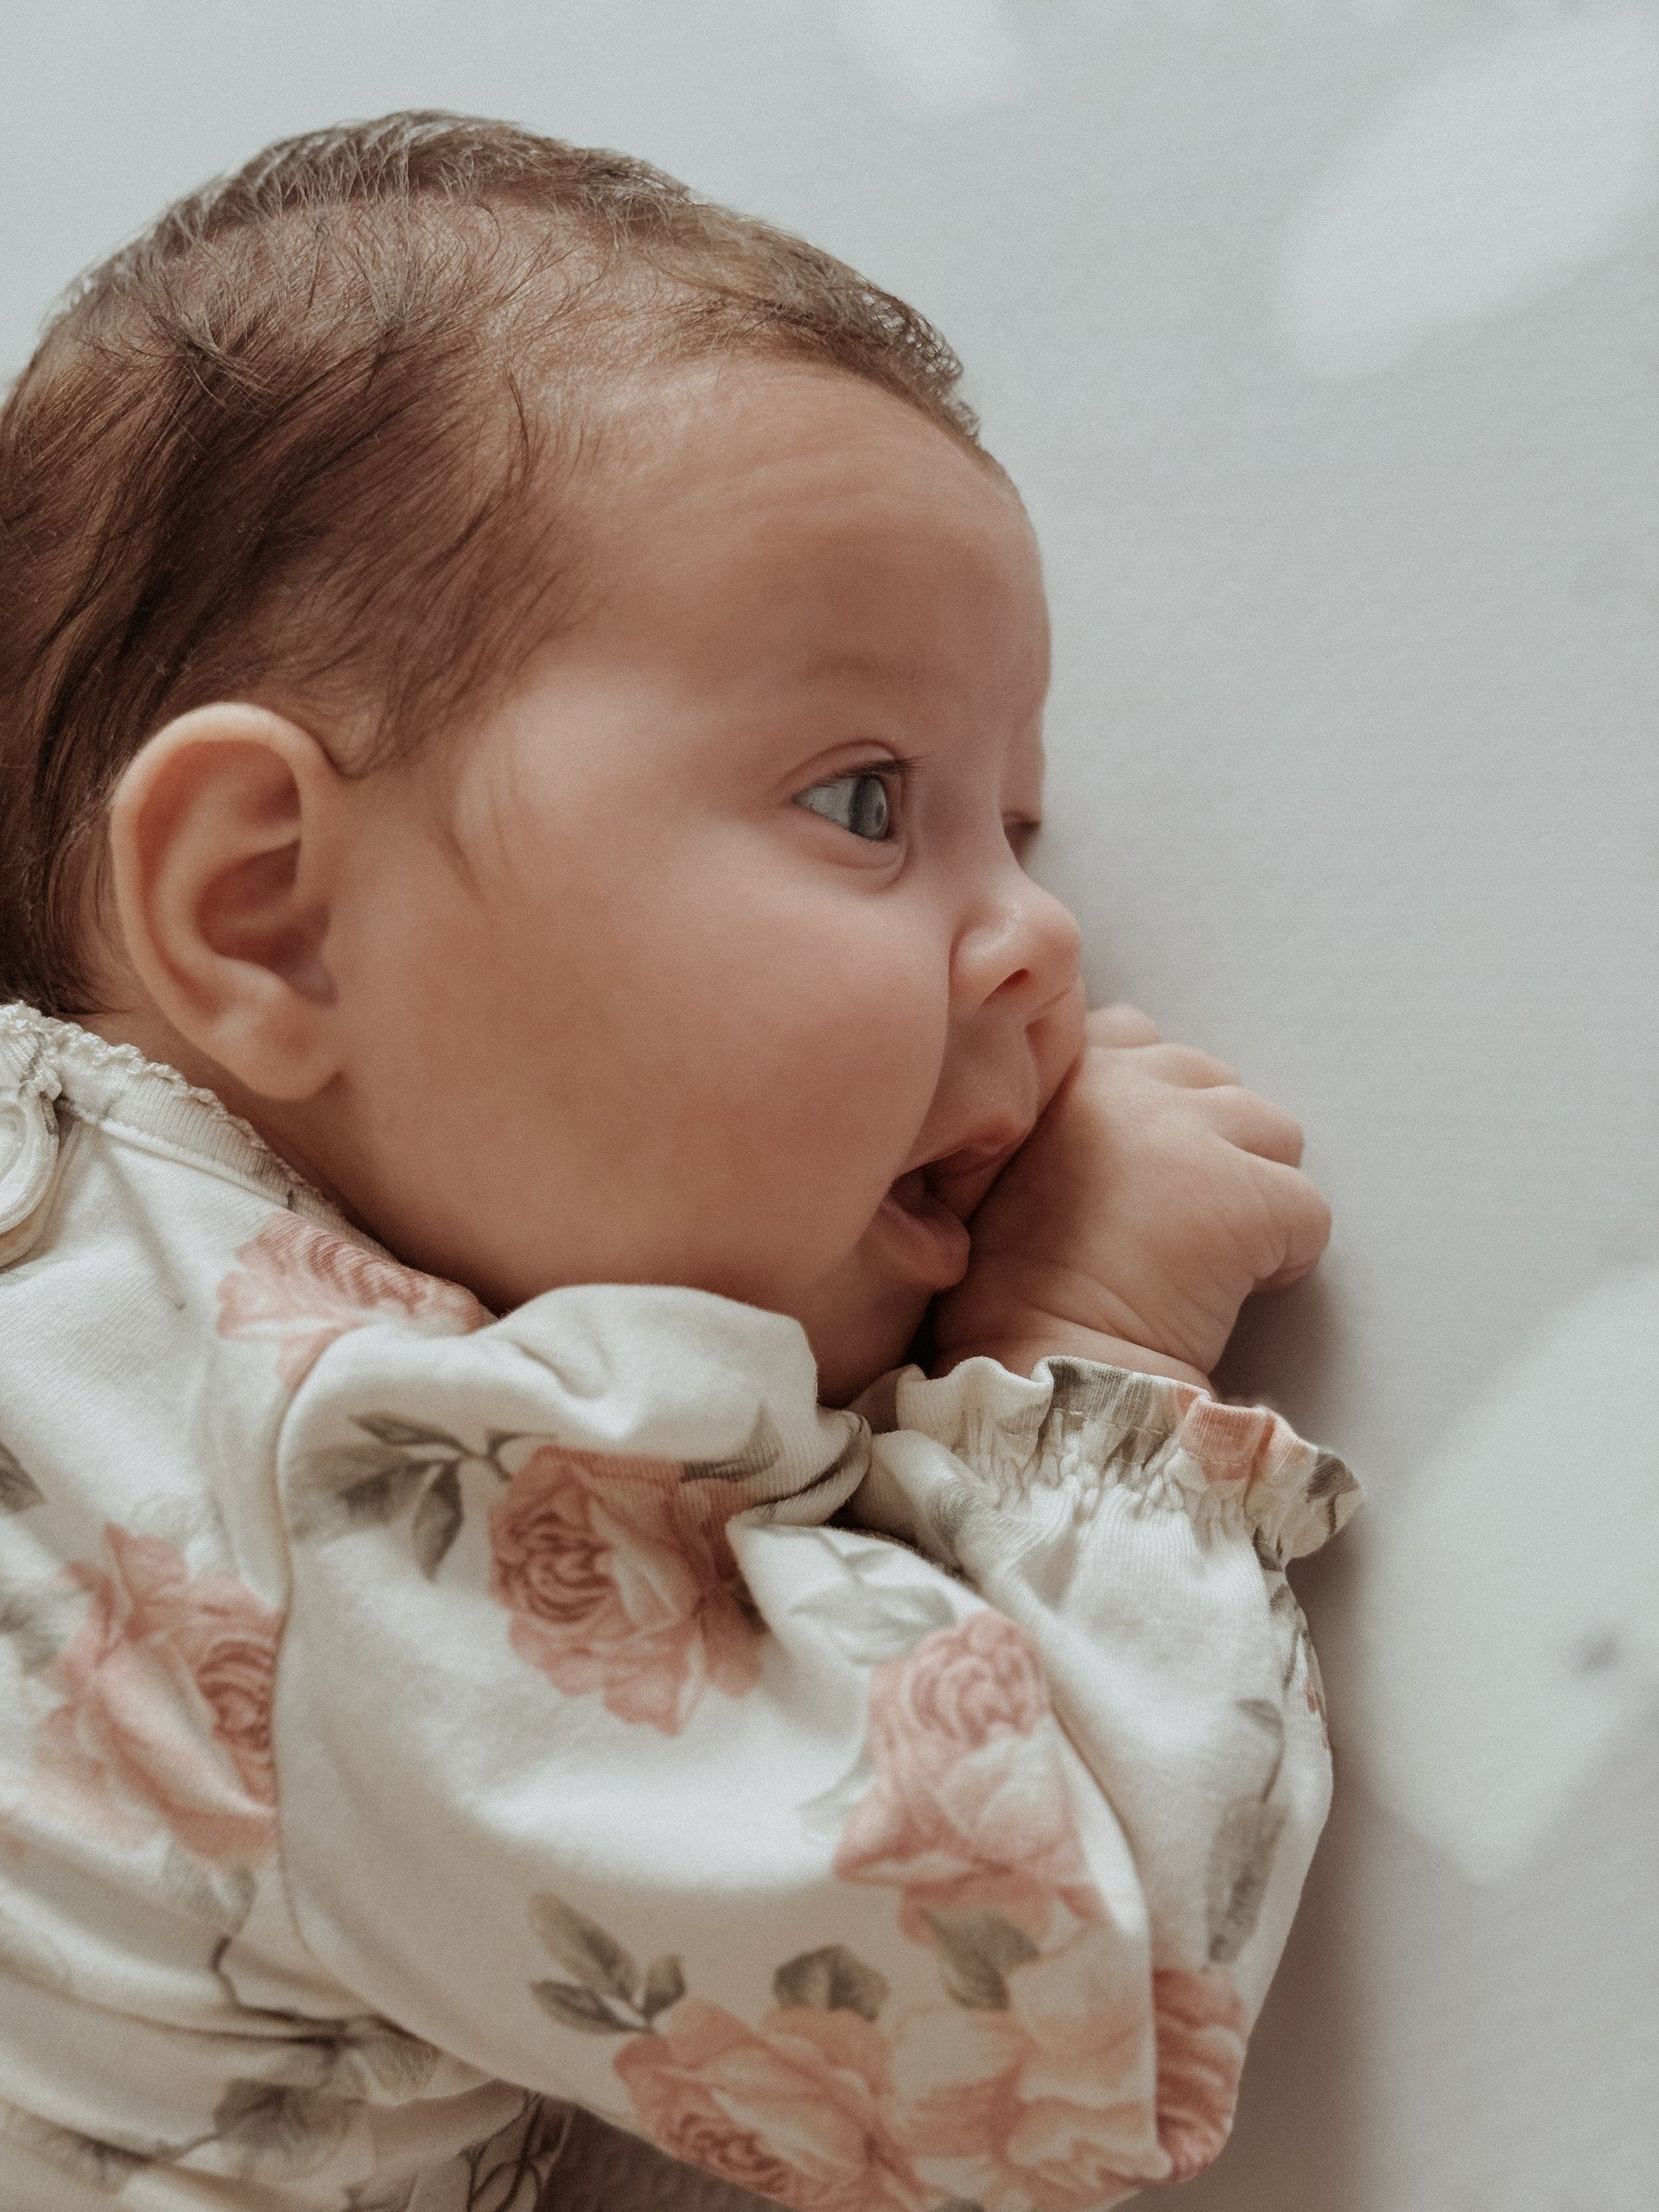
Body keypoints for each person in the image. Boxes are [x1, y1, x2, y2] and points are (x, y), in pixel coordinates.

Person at [0, 113, 1357, 2212]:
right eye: (864, 798)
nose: (1041, 940)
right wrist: (1092, 1358)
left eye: (1026, 827)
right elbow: (1046, 2033)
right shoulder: (331, 1481)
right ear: (267, 905)